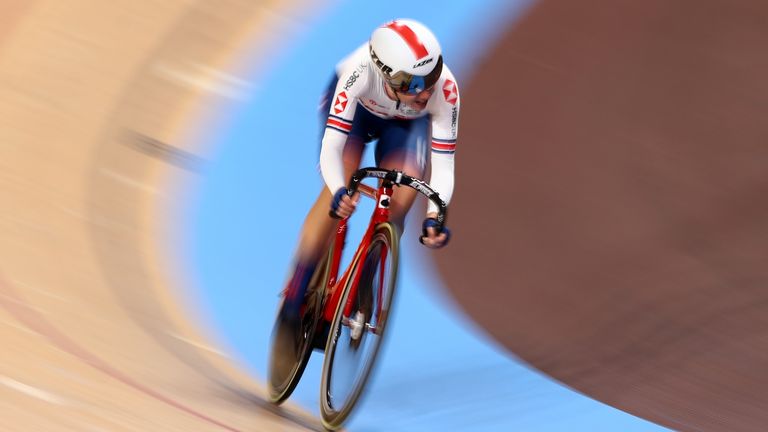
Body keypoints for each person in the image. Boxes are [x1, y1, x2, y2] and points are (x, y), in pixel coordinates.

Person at [284, 18, 460, 310]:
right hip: (356, 116)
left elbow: (443, 167)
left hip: (404, 127)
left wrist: (435, 215)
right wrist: (340, 188)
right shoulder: (358, 72)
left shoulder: (445, 90)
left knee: (402, 200)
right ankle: (297, 289)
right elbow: (332, 148)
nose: (426, 93)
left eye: (432, 76)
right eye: (414, 84)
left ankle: (366, 279)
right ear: (386, 75)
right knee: (339, 187)